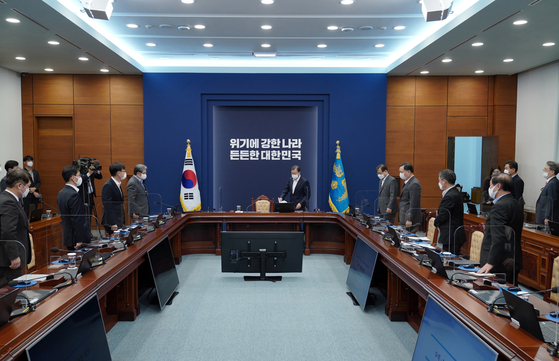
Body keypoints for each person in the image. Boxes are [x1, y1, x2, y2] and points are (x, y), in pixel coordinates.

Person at [478, 173, 524, 285]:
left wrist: (490, 262)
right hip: (511, 258)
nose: (489, 189)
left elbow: (498, 237)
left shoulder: (500, 206)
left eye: (490, 186)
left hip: (498, 264)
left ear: (498, 186)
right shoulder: (516, 203)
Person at [0, 170, 32, 287]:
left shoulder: (10, 199)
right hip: (8, 261)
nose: (28, 190)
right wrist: (13, 256)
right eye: (27, 186)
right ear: (19, 185)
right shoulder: (8, 202)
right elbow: (8, 231)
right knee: (10, 294)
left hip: (9, 258)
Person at [57, 165, 91, 250]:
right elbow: (77, 218)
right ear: (73, 178)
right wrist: (80, 239)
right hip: (76, 238)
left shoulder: (61, 192)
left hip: (68, 236)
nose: (80, 178)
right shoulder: (73, 195)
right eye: (79, 175)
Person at [433, 169, 465, 255]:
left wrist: (436, 223)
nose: (438, 182)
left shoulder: (451, 196)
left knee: (449, 260)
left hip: (452, 235)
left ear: (444, 181)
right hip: (451, 234)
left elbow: (443, 214)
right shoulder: (453, 193)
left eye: (439, 180)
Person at [101, 163, 126, 235]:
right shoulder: (108, 185)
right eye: (124, 171)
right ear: (118, 173)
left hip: (118, 218)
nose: (125, 173)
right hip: (112, 221)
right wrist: (113, 223)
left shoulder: (117, 184)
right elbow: (107, 206)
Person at [398, 162, 421, 229]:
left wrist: (409, 219)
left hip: (409, 219)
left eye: (401, 172)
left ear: (408, 171)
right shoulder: (407, 182)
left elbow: (413, 202)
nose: (400, 174)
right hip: (404, 216)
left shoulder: (414, 184)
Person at [536, 161, 559, 225]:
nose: (544, 171)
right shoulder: (550, 182)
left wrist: (547, 217)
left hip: (546, 218)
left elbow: (551, 201)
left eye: (546, 169)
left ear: (552, 172)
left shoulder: (553, 183)